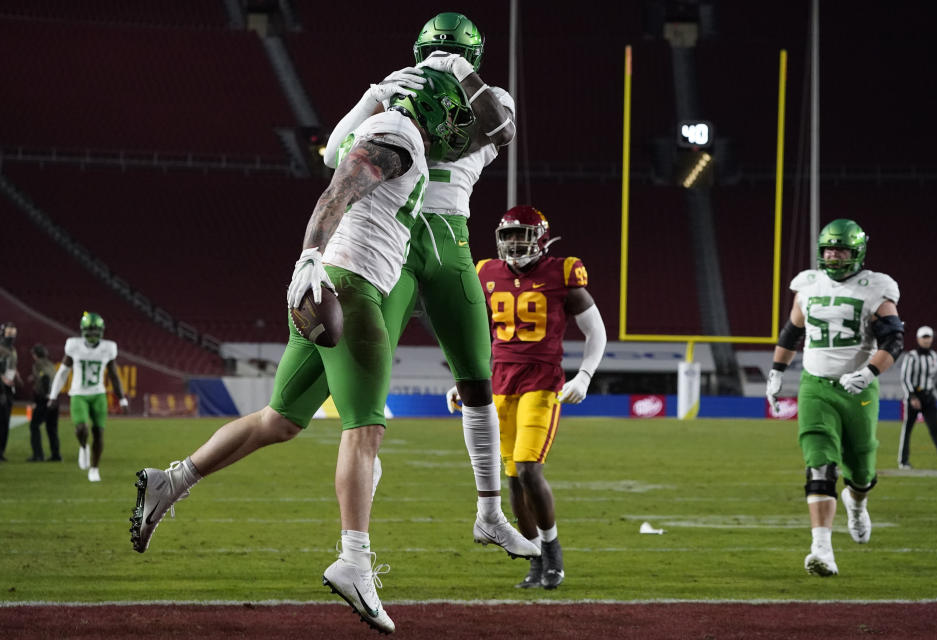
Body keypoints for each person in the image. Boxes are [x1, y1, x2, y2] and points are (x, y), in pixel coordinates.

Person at [129, 68, 482, 635]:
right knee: (364, 430)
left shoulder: (383, 125)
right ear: (430, 109)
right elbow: (338, 186)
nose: (454, 126)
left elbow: (336, 156)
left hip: (332, 288)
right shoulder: (400, 134)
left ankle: (171, 480)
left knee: (279, 420)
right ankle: (354, 560)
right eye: (450, 113)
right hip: (352, 289)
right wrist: (310, 256)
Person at [321, 12, 536, 560]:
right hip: (391, 237)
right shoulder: (399, 91)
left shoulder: (489, 97)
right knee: (368, 385)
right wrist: (375, 97)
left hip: (448, 239)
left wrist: (460, 78)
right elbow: (332, 154)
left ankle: (490, 513)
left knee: (476, 380)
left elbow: (497, 131)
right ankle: (358, 527)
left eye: (450, 53)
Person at [447, 205, 606, 589]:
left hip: (541, 380)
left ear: (541, 239)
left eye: (522, 235)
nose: (515, 243)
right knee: (513, 478)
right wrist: (464, 378)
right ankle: (534, 556)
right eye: (508, 236)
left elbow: (595, 331)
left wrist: (584, 376)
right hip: (498, 383)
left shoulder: (561, 273)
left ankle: (553, 553)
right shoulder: (486, 273)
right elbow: (474, 333)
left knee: (530, 469)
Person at [766, 218, 904, 577]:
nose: (833, 255)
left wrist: (869, 372)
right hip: (815, 386)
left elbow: (894, 341)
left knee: (861, 468)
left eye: (840, 249)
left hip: (857, 388)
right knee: (820, 463)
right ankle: (821, 549)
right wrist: (777, 371)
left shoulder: (874, 287)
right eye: (828, 248)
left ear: (856, 252)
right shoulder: (808, 285)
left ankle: (856, 505)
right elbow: (792, 331)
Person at [47, 312, 129, 482]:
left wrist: (122, 399)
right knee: (81, 429)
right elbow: (63, 373)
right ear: (83, 330)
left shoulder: (108, 348)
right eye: (89, 329)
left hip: (98, 394)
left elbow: (114, 376)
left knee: (99, 432)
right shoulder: (74, 346)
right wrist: (53, 395)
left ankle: (94, 468)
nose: (92, 333)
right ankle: (83, 446)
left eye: (95, 329)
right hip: (79, 394)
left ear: (101, 330)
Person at [898, 325, 937, 470]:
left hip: (929, 397)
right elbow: (905, 378)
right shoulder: (911, 356)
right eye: (924, 337)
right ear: (918, 339)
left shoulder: (935, 357)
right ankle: (903, 461)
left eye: (928, 337)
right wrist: (912, 396)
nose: (926, 340)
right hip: (914, 397)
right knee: (907, 429)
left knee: (936, 430)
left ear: (932, 339)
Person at [28, 343, 61, 462]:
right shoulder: (50, 364)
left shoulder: (38, 364)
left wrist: (46, 395)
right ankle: (56, 454)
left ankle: (38, 455)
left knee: (34, 426)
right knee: (52, 428)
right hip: (55, 399)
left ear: (35, 355)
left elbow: (45, 378)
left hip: (45, 399)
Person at [0, 321, 20, 462]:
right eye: (9, 332)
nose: (11, 335)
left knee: (5, 421)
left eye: (13, 332)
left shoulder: (12, 349)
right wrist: (3, 380)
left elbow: (12, 367)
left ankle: (1, 451)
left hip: (8, 388)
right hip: (1, 387)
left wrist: (16, 376)